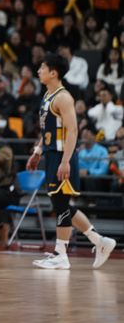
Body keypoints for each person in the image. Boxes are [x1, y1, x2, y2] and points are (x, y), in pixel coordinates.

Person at [27, 53, 116, 269]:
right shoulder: (47, 95)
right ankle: (100, 242)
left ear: (53, 73)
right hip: (51, 155)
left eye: (42, 68)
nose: (38, 71)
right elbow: (47, 130)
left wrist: (65, 161)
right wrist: (38, 151)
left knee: (60, 205)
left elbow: (73, 130)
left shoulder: (64, 97)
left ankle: (61, 254)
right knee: (62, 205)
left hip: (62, 156)